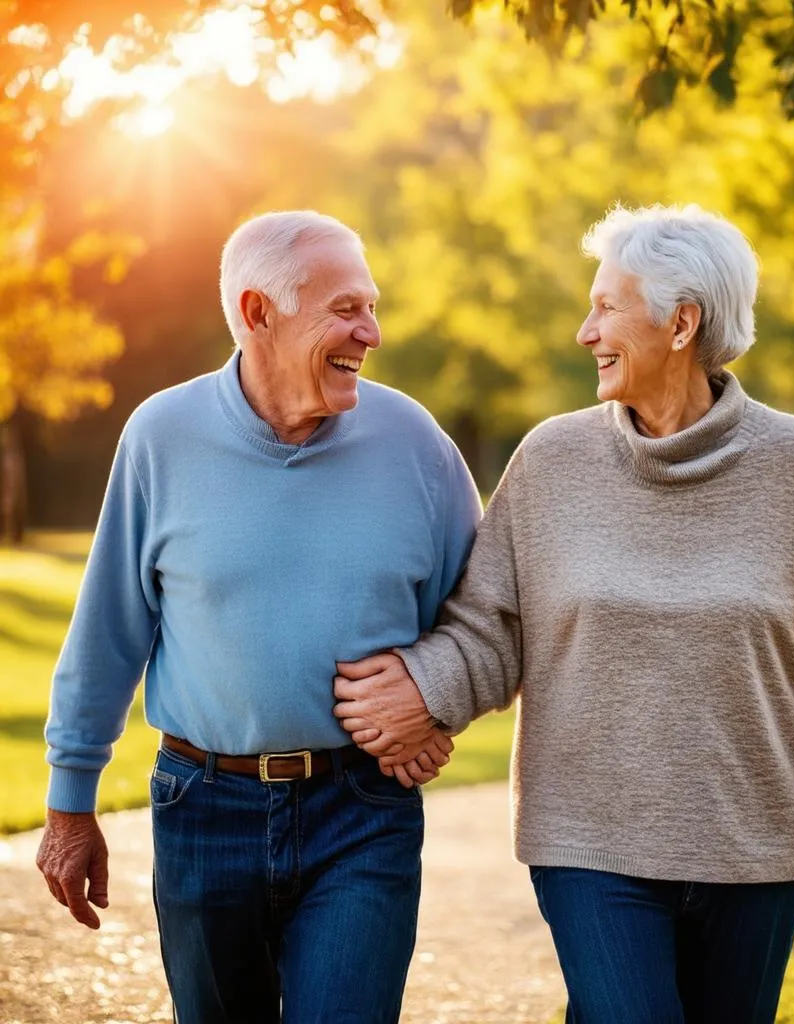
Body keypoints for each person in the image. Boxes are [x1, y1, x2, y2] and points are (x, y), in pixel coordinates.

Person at [333, 203, 794, 1024]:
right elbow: (493, 629)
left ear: (682, 323)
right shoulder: (551, 462)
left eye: (606, 307)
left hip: (754, 848)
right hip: (588, 843)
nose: (583, 331)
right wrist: (421, 692)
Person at [37, 210, 480, 1024]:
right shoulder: (160, 437)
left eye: (372, 307)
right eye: (347, 309)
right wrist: (70, 802)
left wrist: (434, 692)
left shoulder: (414, 443)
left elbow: (485, 616)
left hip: (363, 808)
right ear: (256, 312)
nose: (372, 332)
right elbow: (108, 633)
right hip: (202, 807)